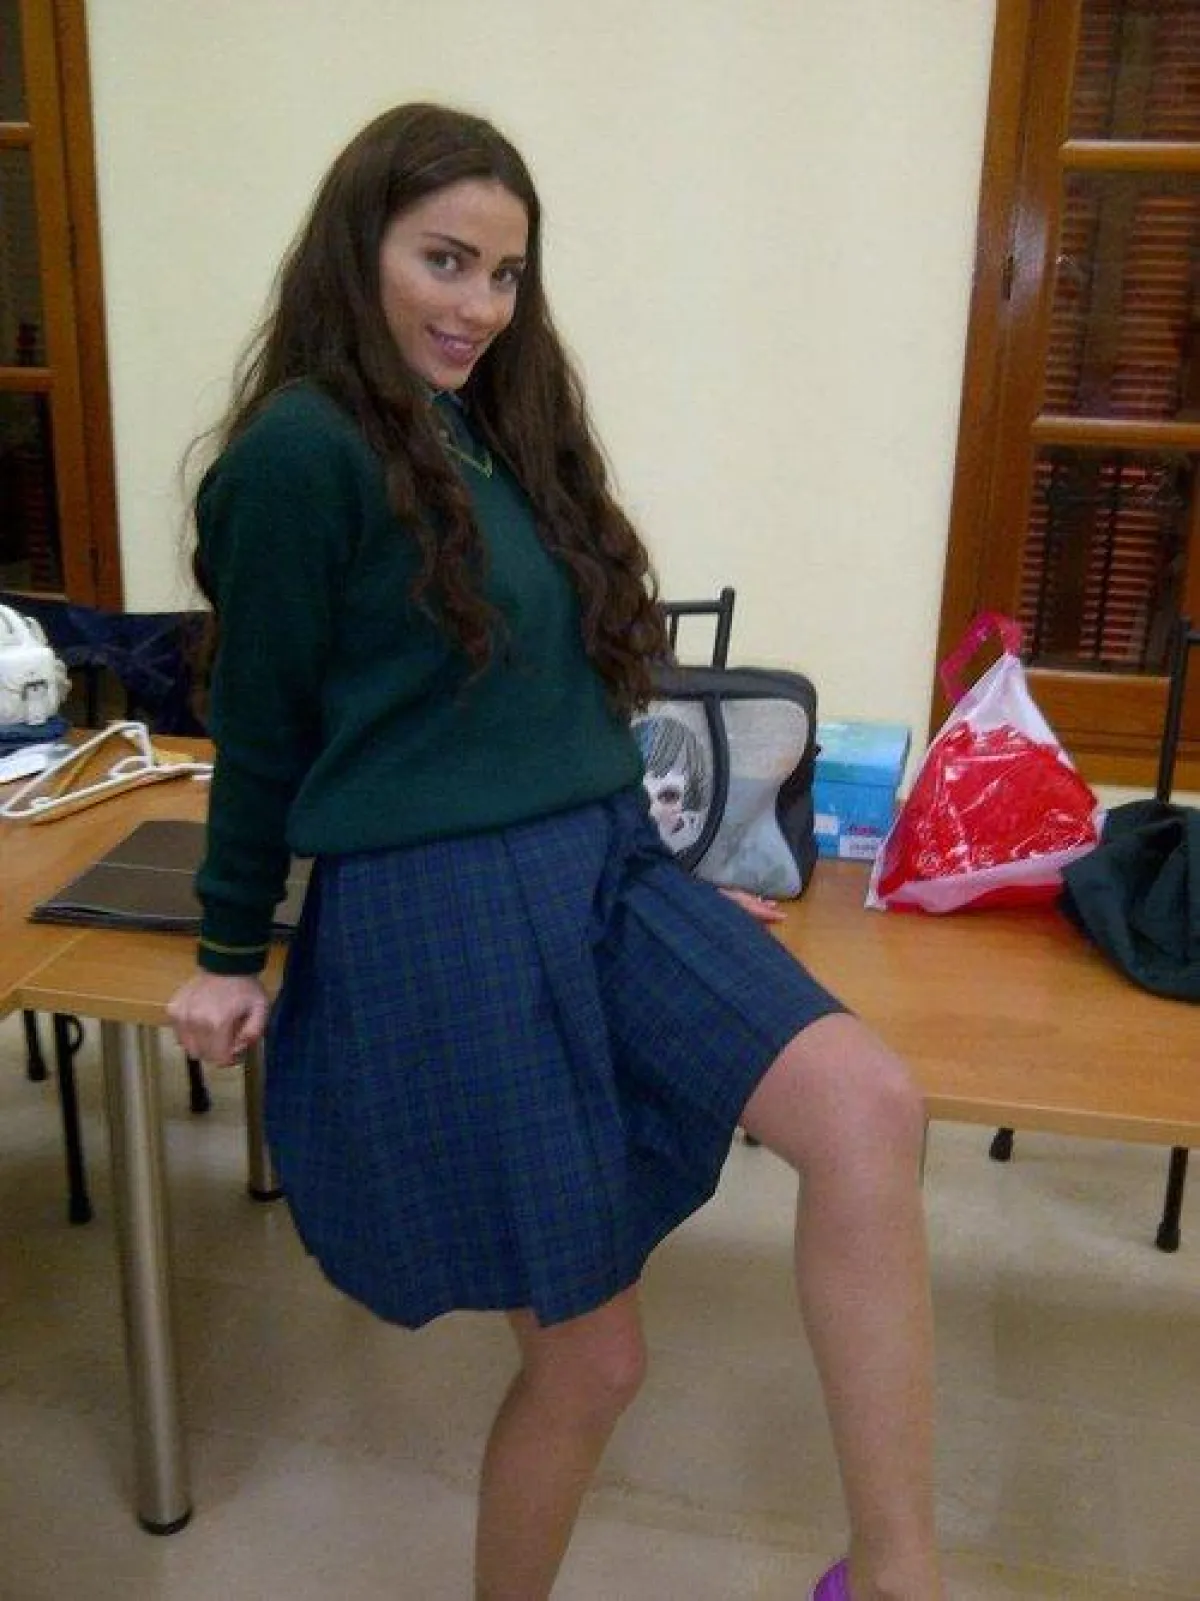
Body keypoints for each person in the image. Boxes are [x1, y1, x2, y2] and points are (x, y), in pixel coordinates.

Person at [166, 103, 944, 1601]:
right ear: (357, 248)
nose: (479, 306)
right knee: (596, 1362)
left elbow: (552, 697)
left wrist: (665, 872)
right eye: (444, 260)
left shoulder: (487, 427)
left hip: (604, 869)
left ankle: (896, 1578)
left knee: (868, 1105)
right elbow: (256, 727)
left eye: (507, 273)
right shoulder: (300, 455)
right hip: (443, 904)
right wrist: (225, 951)